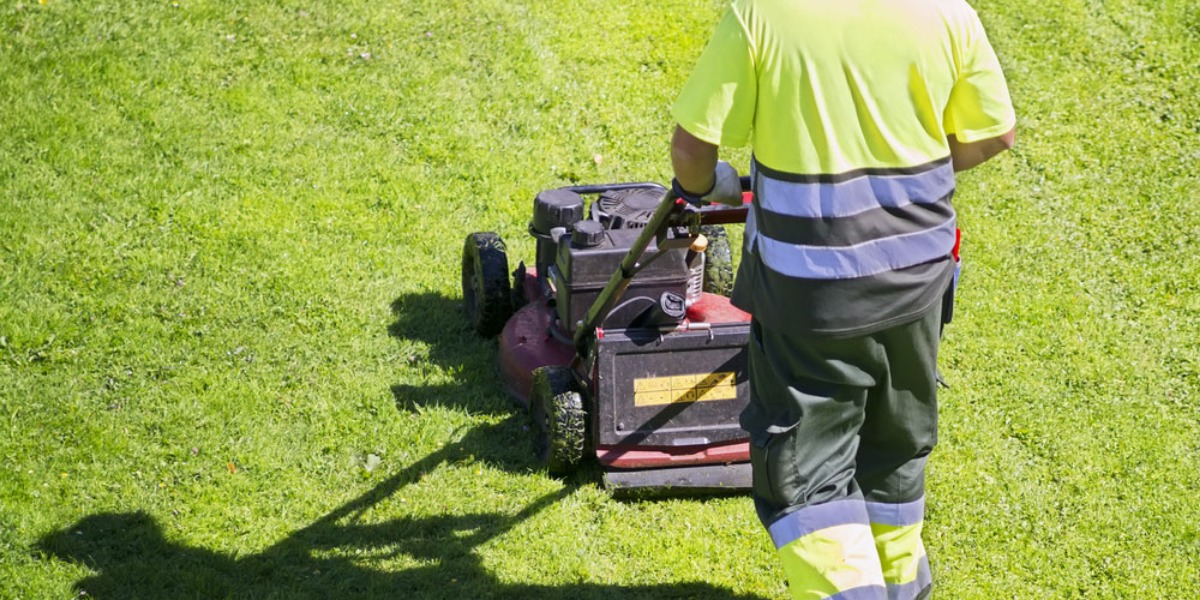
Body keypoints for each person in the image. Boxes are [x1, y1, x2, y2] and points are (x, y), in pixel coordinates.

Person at [669, 1, 1016, 599]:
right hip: (920, 282)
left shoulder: (762, 15)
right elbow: (994, 134)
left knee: (806, 479)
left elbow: (690, 150)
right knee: (894, 453)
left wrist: (707, 185)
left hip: (812, 296)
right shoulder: (946, 11)